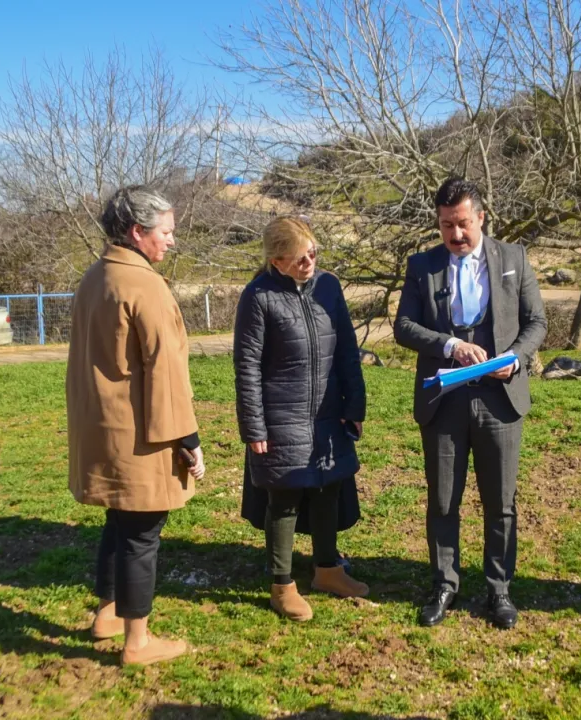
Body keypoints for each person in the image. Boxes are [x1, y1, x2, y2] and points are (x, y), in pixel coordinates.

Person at [393, 177, 547, 629]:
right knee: (443, 500)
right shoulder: (421, 266)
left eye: (462, 224)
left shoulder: (514, 258)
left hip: (500, 401)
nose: (456, 234)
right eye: (446, 226)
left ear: (481, 217)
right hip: (444, 400)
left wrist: (515, 359)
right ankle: (445, 584)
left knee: (500, 502)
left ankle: (499, 589)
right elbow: (404, 326)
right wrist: (450, 346)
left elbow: (537, 322)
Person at [66, 185, 205, 666]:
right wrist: (187, 438)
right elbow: (166, 371)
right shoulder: (145, 285)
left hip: (101, 428)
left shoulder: (94, 277)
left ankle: (107, 614)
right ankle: (138, 641)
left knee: (119, 519)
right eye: (165, 232)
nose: (172, 240)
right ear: (136, 232)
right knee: (142, 531)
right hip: (140, 433)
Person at [234, 217, 369, 622]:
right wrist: (254, 426)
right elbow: (247, 367)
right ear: (277, 261)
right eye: (299, 258)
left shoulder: (329, 286)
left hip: (329, 414)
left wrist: (354, 406)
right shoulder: (257, 297)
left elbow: (347, 349)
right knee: (285, 499)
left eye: (312, 253)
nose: (309, 263)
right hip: (281, 417)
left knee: (329, 488)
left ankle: (328, 570)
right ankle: (282, 585)